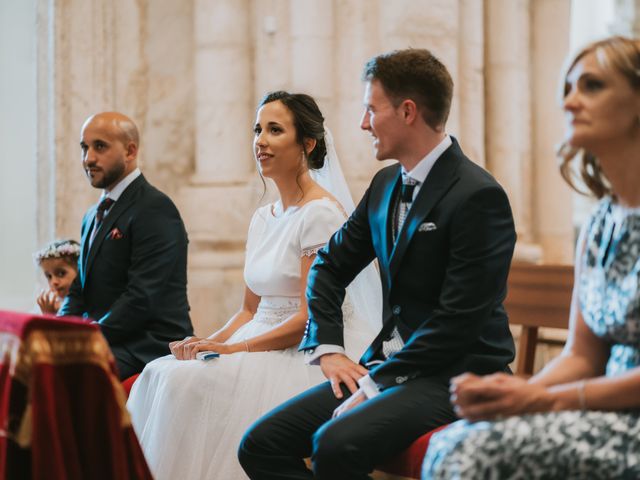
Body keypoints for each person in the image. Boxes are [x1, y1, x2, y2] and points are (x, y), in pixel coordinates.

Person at [239, 48, 517, 480]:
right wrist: (329, 347)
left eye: (371, 108)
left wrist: (372, 385)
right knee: (260, 445)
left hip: (454, 373)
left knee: (334, 444)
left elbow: (456, 324)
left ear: (408, 112)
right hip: (387, 365)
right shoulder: (386, 184)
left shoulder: (478, 196)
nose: (362, 122)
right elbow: (329, 266)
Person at [126, 91, 381, 480]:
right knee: (161, 372)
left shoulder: (320, 215)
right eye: (257, 129)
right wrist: (207, 343)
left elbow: (306, 320)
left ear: (307, 144)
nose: (260, 140)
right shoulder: (264, 217)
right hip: (257, 335)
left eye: (275, 130)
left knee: (185, 386)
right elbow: (249, 310)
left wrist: (231, 348)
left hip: (302, 349)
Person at [422, 36, 640, 479]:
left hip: (624, 418)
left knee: (469, 457)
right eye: (567, 90)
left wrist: (547, 400)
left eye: (592, 86)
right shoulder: (601, 222)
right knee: (454, 441)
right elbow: (583, 353)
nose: (571, 102)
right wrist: (514, 393)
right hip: (600, 408)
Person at [58, 112, 193, 379]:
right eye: (84, 148)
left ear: (130, 151)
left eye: (100, 146)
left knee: (67, 376)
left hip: (147, 344)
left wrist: (87, 337)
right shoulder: (92, 214)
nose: (88, 159)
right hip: (110, 338)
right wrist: (57, 330)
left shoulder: (155, 208)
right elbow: (78, 289)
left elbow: (142, 297)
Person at [33, 239, 80, 314]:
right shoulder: (51, 306)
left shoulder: (85, 306)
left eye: (61, 273)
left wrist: (50, 315)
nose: (53, 282)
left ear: (79, 270)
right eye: (49, 276)